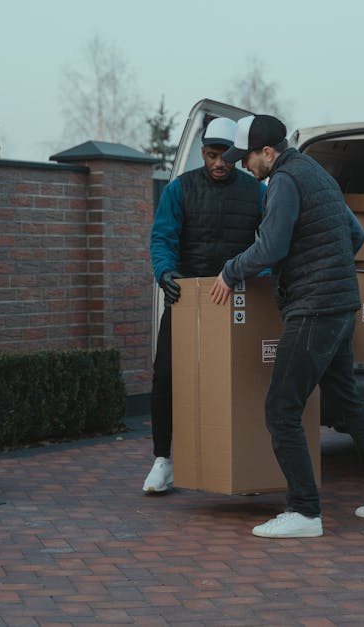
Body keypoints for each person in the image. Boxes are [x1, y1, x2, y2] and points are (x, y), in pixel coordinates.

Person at [210, 114, 364, 538]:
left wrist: (230, 271)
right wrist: (322, 259)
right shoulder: (317, 174)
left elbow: (272, 245)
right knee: (349, 403)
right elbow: (354, 236)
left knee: (281, 410)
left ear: (267, 152)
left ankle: (304, 512)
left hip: (314, 308)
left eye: (246, 158)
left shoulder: (283, 180)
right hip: (339, 305)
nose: (242, 166)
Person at [143, 116, 266, 493]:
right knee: (166, 377)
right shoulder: (179, 190)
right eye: (212, 156)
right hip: (187, 298)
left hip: (237, 299)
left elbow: (270, 240)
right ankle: (162, 461)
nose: (218, 164)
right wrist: (165, 274)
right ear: (202, 153)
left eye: (226, 157)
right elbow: (162, 237)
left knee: (239, 381)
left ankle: (245, 461)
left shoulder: (257, 192)